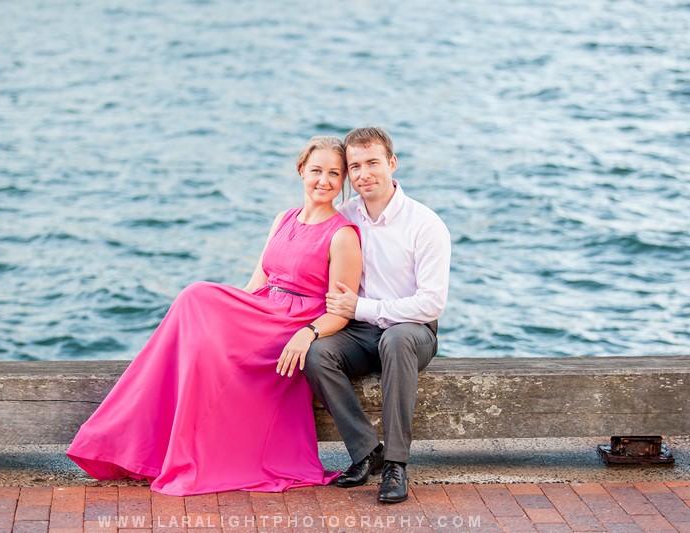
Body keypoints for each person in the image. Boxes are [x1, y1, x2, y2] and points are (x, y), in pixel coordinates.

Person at [66, 136, 362, 496]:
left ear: (343, 180)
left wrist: (309, 333)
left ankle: (176, 454)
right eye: (317, 170)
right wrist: (229, 318)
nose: (324, 181)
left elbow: (340, 312)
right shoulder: (283, 219)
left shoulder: (343, 235)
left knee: (197, 301)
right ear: (301, 170)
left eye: (334, 173)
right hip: (264, 309)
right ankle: (137, 448)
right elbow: (257, 282)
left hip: (294, 324)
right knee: (197, 313)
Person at [302, 127, 451, 504]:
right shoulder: (346, 217)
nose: (364, 174)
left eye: (372, 163)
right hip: (359, 332)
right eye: (355, 166)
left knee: (397, 339)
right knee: (316, 353)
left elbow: (431, 303)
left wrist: (366, 308)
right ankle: (367, 451)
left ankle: (397, 464)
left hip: (411, 332)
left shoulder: (425, 224)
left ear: (391, 163)